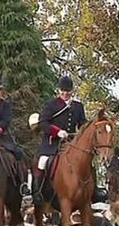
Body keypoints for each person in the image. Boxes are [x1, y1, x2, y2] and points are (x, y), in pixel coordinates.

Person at [32, 75, 87, 204]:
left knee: (86, 161)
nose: (65, 94)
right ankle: (37, 192)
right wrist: (58, 132)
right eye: (62, 91)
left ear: (72, 91)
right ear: (59, 90)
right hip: (52, 143)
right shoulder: (51, 104)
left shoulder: (78, 106)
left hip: (70, 143)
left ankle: (94, 190)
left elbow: (82, 123)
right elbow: (43, 122)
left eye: (67, 91)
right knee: (42, 161)